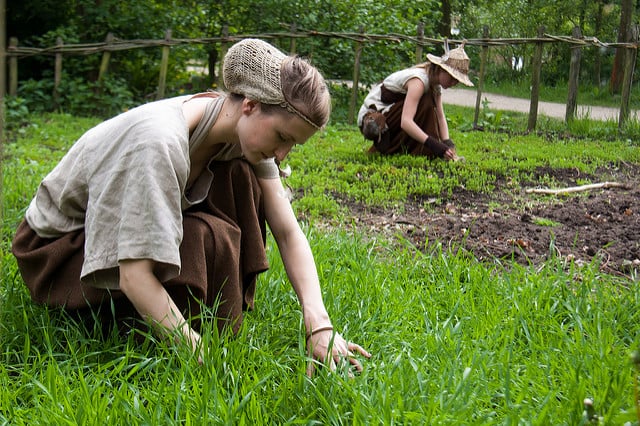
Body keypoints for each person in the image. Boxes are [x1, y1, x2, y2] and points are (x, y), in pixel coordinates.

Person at [11, 38, 370, 375]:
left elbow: (288, 233)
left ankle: (194, 312)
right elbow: (133, 275)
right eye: (282, 137)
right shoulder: (158, 143)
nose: (282, 154)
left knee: (242, 181)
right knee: (203, 236)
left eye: (293, 145)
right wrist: (200, 356)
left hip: (108, 239)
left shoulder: (235, 127)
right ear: (250, 104)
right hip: (60, 251)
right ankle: (149, 325)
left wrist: (319, 323)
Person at [357, 41, 473, 160]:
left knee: (428, 103)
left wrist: (448, 144)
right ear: (442, 70)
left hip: (391, 113)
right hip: (372, 121)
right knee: (426, 102)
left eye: (457, 81)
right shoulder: (419, 82)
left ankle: (408, 148)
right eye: (452, 78)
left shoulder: (435, 86)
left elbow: (440, 116)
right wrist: (435, 145)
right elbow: (406, 122)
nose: (454, 83)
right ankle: (385, 147)